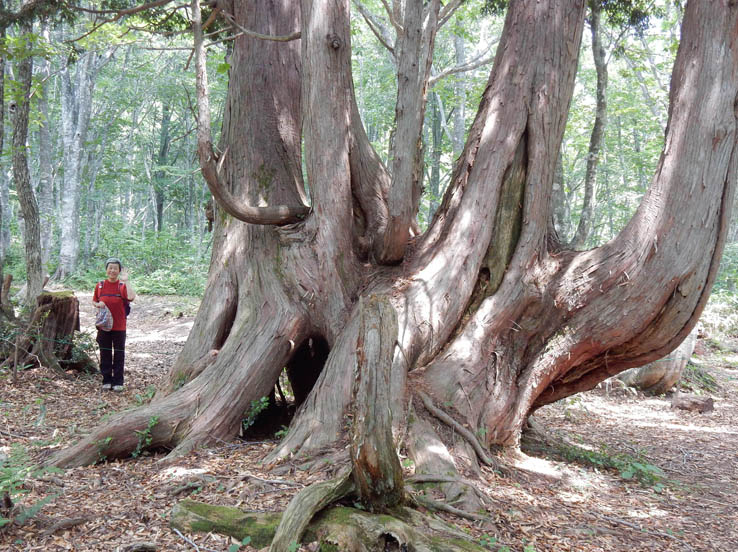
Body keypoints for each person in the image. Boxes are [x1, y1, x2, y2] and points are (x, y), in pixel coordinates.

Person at [92, 257, 136, 391]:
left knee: (119, 353)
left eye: (115, 268)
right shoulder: (100, 285)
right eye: (110, 268)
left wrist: (126, 281)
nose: (112, 270)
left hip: (119, 326)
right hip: (104, 326)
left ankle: (118, 382)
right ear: (106, 270)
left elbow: (131, 297)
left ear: (119, 271)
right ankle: (106, 380)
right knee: (105, 352)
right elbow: (94, 300)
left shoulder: (121, 286)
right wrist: (98, 304)